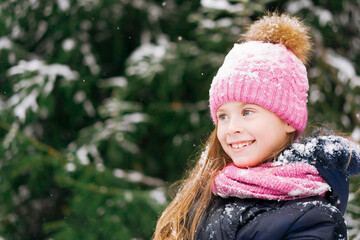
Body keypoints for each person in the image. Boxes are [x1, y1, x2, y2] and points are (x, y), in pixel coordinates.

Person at [153, 13, 360, 240]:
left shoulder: (312, 217)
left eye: (247, 112)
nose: (232, 128)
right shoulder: (208, 196)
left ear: (288, 120)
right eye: (223, 116)